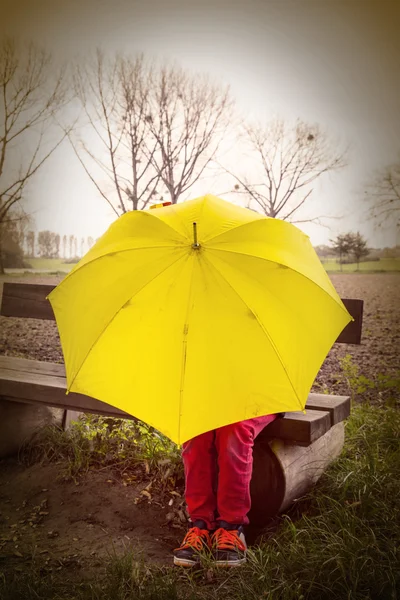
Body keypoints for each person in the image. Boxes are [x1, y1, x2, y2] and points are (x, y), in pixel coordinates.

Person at [173, 413, 278, 567]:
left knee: (235, 428)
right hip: (213, 400)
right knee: (195, 431)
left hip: (257, 398)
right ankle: (200, 524)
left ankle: (232, 527)